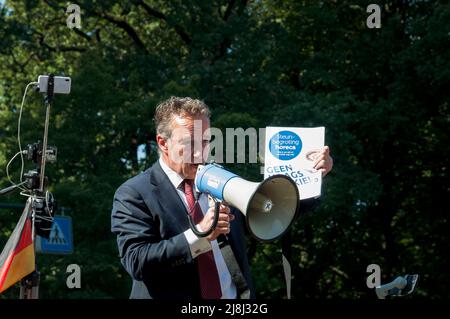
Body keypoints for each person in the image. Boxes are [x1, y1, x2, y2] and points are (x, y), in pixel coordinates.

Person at [111, 96, 333, 299]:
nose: (200, 154)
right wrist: (199, 235)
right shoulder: (134, 193)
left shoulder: (217, 178)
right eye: (190, 143)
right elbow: (137, 261)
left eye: (205, 142)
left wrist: (312, 177)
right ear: (163, 143)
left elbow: (271, 212)